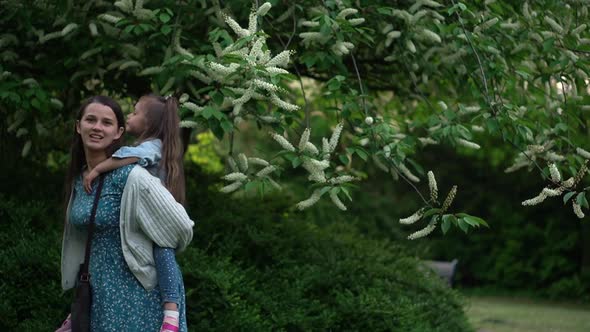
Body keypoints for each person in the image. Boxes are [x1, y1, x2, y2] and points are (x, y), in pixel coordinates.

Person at [56, 96, 193, 332]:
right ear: (78, 126)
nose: (97, 127)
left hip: (137, 300)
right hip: (99, 301)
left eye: (106, 122)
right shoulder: (81, 180)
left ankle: (171, 309)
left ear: (118, 132)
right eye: (90, 120)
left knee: (163, 247)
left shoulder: (132, 175)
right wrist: (78, 309)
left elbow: (180, 227)